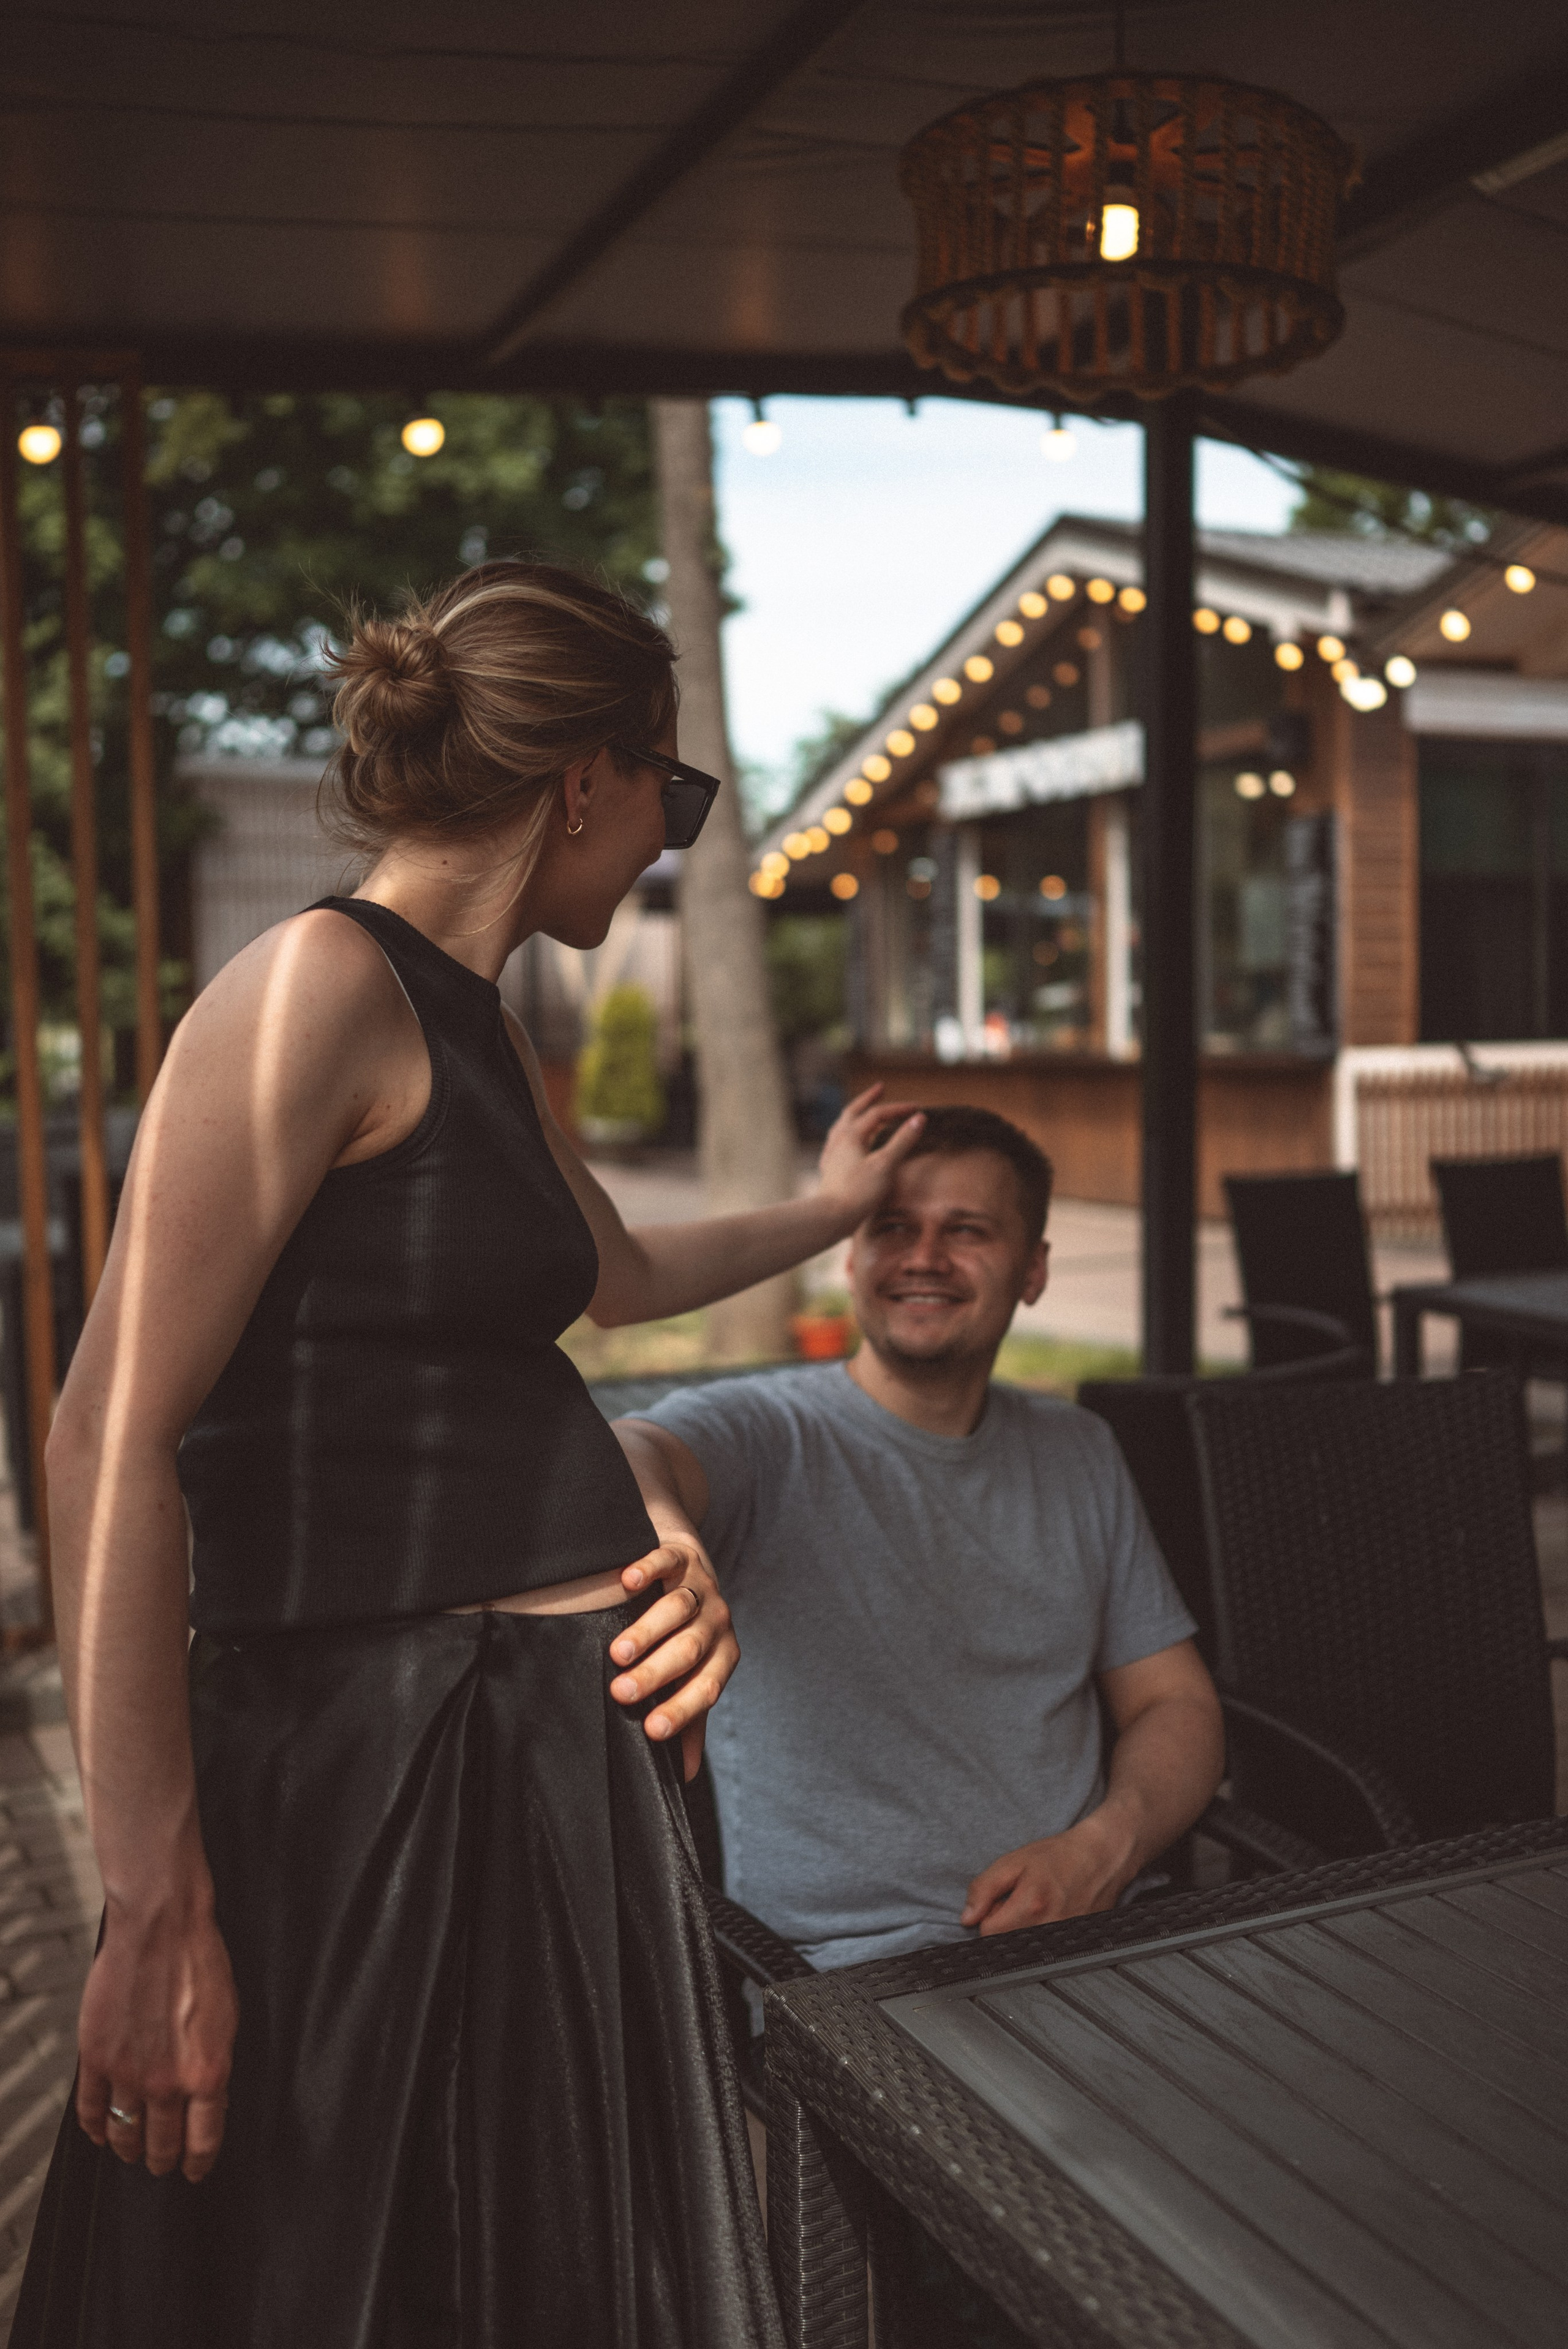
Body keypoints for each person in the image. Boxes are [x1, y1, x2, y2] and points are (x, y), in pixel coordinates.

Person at [13, 560, 927, 2348]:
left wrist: (831, 1210)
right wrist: (150, 1899)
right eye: (671, 791)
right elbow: (101, 1441)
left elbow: (623, 1273)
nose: (669, 837)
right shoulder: (310, 992)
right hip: (378, 1780)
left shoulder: (479, 1020)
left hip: (560, 1771)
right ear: (584, 774)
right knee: (332, 2268)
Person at [614, 1106, 1224, 1974]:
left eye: (967, 1230)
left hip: (1106, 1930)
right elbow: (632, 1448)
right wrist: (673, 1531)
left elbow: (1177, 1704)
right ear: (852, 1259)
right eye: (892, 1228)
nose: (924, 1257)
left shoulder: (1077, 1447)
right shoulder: (767, 1433)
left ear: (1034, 1271)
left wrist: (1106, 1848)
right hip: (862, 1979)